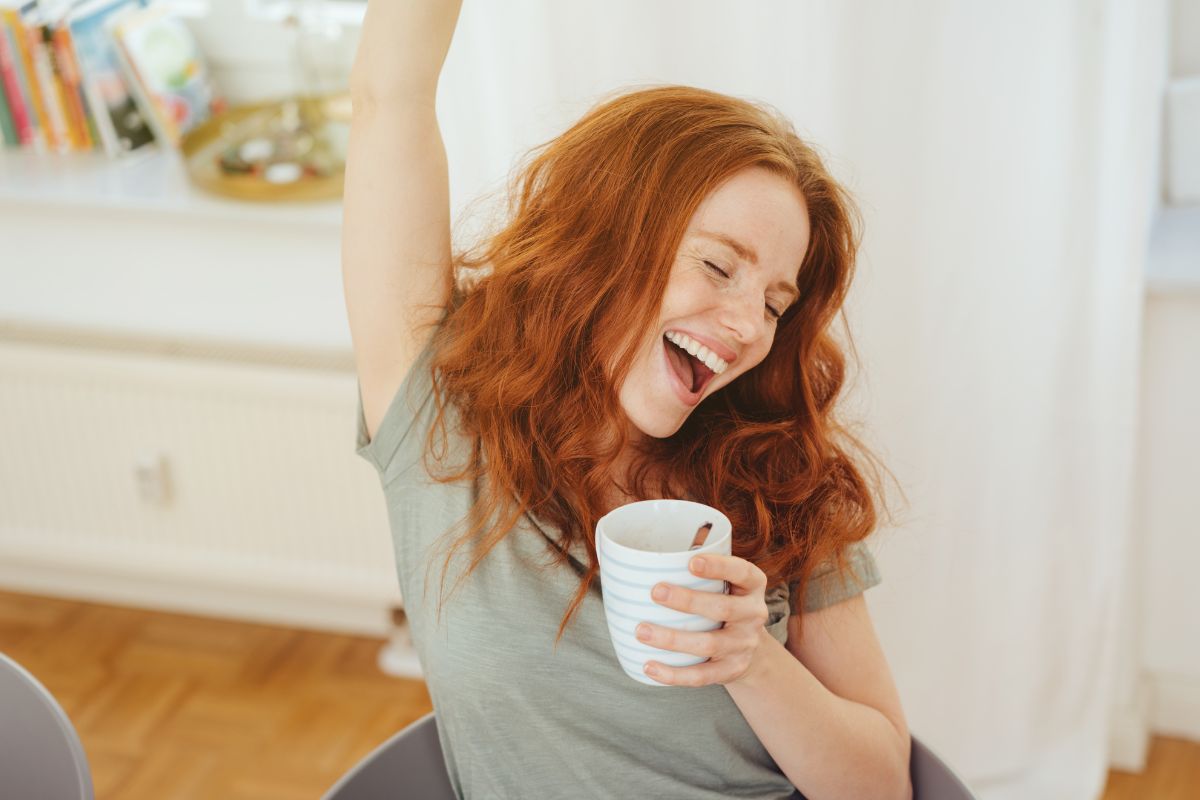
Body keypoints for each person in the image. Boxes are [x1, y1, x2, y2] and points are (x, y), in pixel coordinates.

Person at [343, 2, 912, 798]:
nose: (750, 326)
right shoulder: (444, 420)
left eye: (777, 303)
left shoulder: (782, 479)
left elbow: (882, 785)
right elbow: (387, 99)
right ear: (606, 241)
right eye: (718, 267)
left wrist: (750, 658)